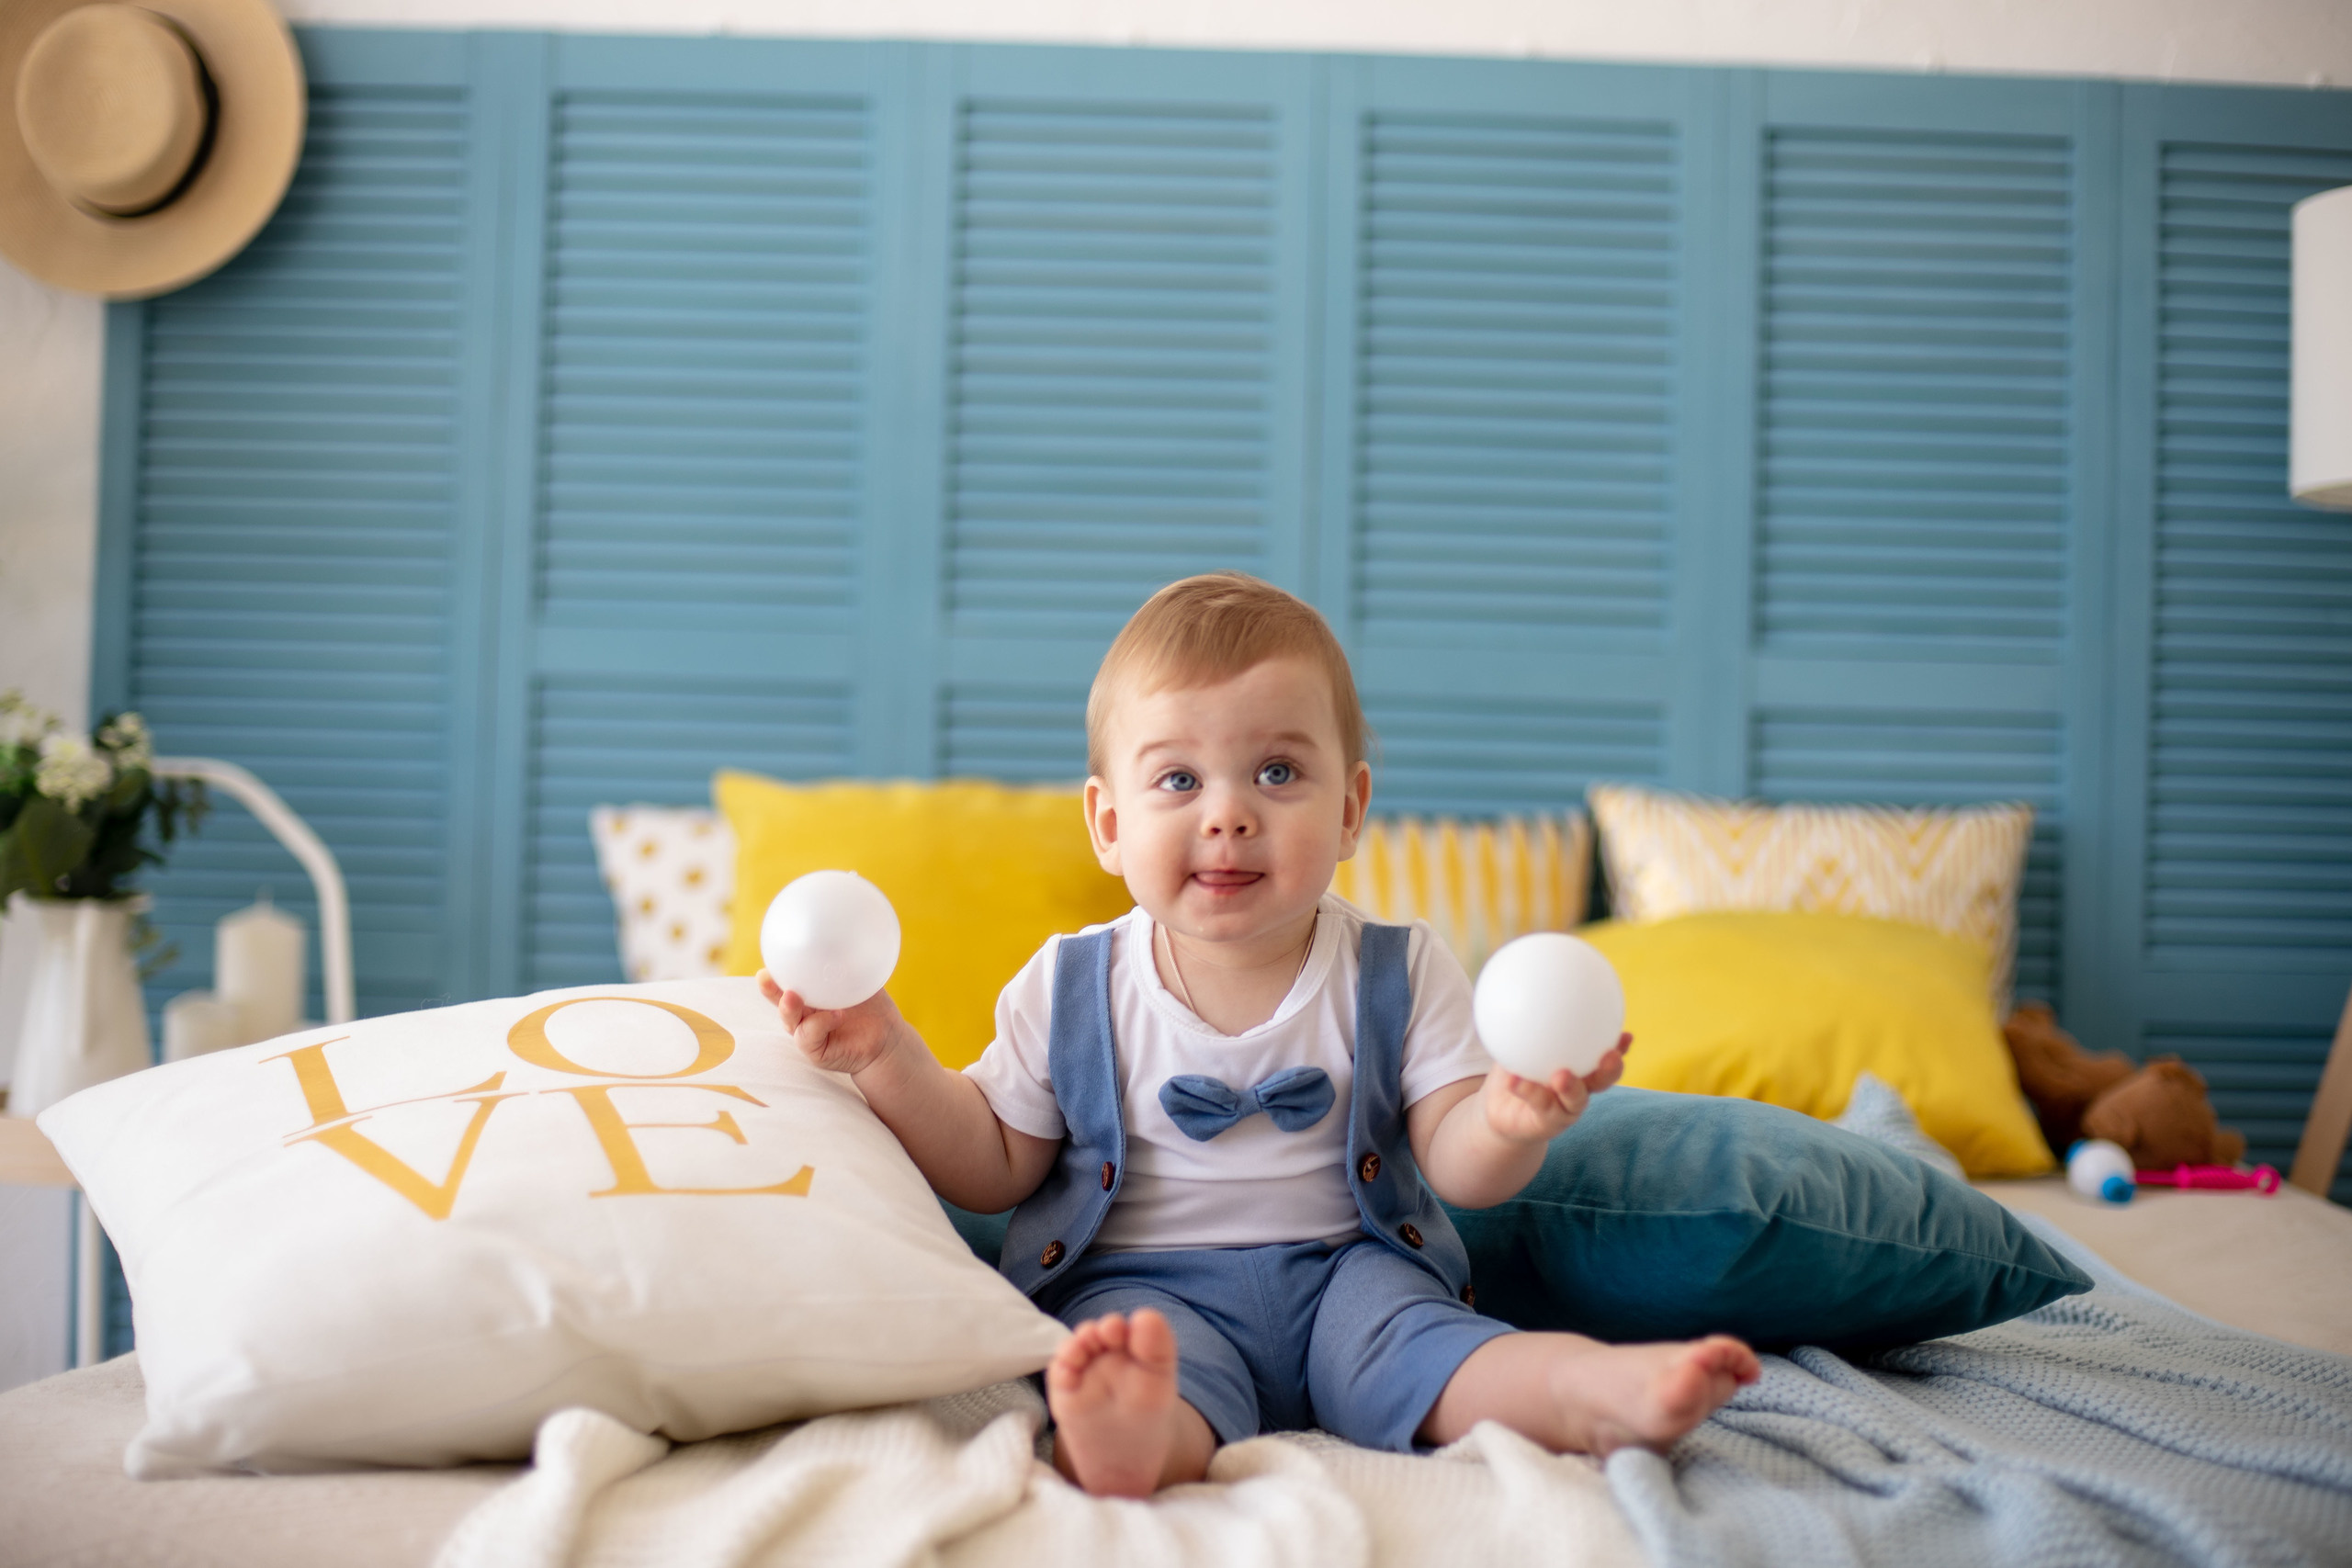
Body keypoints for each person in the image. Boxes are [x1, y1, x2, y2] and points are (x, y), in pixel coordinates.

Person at [760, 571, 1758, 1497]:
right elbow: (993, 1165)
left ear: (1351, 807)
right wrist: (887, 1053)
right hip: (1145, 1282)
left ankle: (1592, 1390)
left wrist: (1508, 1117)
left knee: (1437, 1350)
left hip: (1352, 1273)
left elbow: (1459, 1170)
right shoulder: (1071, 985)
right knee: (1138, 1353)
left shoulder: (1397, 968)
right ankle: (1135, 1436)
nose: (1229, 815)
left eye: (1277, 772)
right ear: (1106, 825)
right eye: (1179, 781)